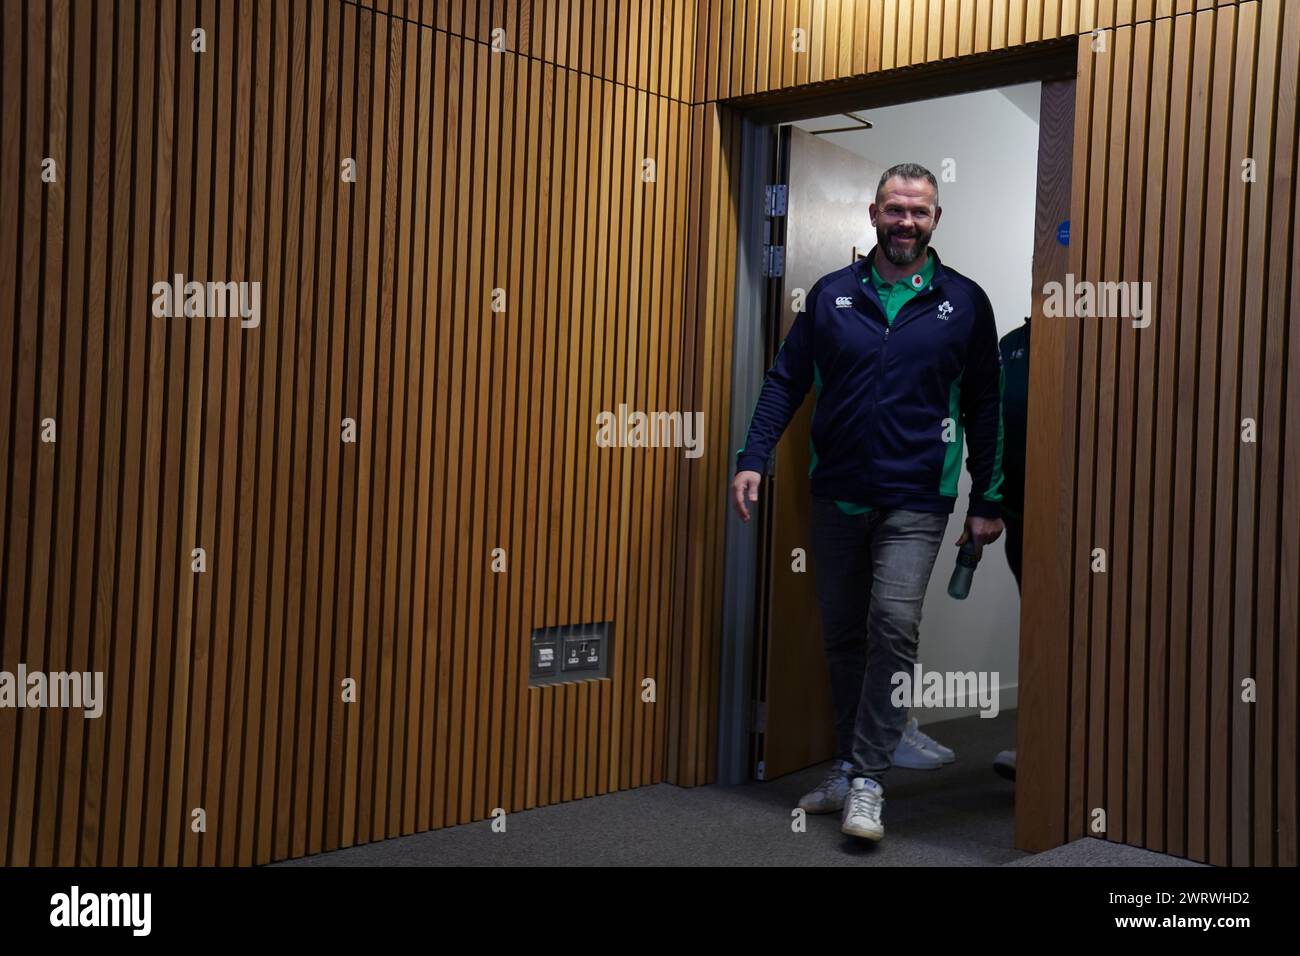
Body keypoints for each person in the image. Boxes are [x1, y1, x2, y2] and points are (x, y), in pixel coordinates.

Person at [731, 163, 1005, 842]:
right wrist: (753, 457)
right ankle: (852, 762)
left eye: (918, 210)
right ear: (873, 214)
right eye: (894, 209)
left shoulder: (964, 302)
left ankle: (871, 779)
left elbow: (984, 405)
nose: (905, 221)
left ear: (935, 219)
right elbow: (785, 380)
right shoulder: (830, 296)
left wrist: (988, 494)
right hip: (839, 494)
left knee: (892, 624)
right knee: (843, 635)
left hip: (919, 497)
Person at [992, 316, 1030, 783]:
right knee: (1038, 628)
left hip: (1088, 521)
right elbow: (993, 424)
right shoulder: (1012, 344)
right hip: (1022, 515)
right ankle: (1037, 741)